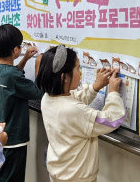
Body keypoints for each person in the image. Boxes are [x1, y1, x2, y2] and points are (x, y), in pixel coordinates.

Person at [36, 45, 125, 182]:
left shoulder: (47, 98)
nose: (81, 73)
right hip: (77, 178)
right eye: (78, 68)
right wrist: (113, 92)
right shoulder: (72, 110)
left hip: (60, 174)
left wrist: (95, 87)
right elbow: (112, 120)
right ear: (64, 77)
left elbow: (73, 100)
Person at [0, 24, 44, 182]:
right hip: (13, 139)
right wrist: (39, 67)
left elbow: (11, 77)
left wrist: (24, 59)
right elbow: (38, 93)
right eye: (20, 45)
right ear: (15, 50)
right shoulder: (13, 76)